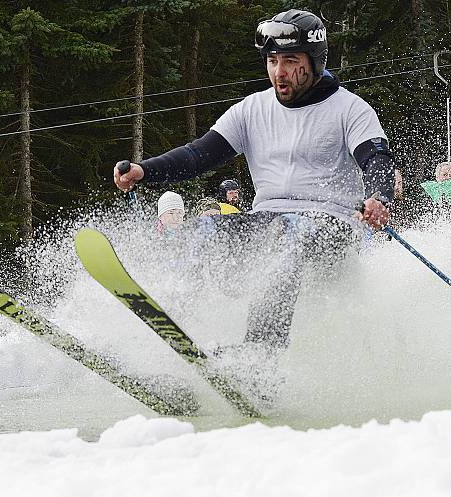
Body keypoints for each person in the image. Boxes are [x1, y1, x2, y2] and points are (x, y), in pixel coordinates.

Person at [113, 8, 393, 350]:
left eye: (290, 61)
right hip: (268, 221)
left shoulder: (351, 110)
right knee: (202, 230)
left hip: (331, 228)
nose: (280, 72)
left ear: (315, 61)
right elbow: (199, 154)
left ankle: (260, 354)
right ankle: (164, 336)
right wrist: (145, 170)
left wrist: (379, 198)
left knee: (287, 232)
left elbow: (377, 160)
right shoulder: (252, 110)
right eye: (272, 61)